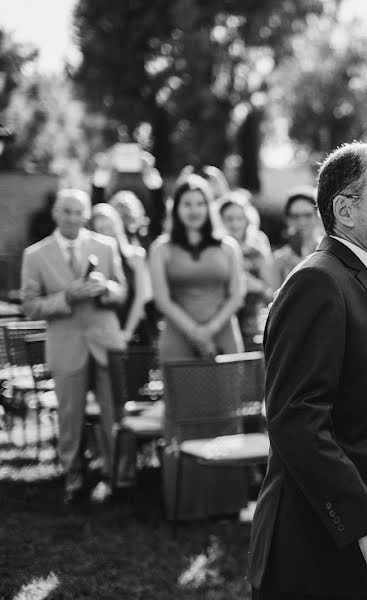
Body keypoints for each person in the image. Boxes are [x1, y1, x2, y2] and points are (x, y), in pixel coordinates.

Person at [248, 142, 367, 600]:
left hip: (349, 551)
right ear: (345, 209)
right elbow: (296, 421)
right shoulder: (318, 282)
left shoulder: (363, 280)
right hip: (314, 548)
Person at [149, 175, 247, 520]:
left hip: (223, 334)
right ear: (176, 208)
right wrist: (194, 331)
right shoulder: (161, 247)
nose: (193, 210)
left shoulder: (228, 247)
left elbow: (237, 294)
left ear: (209, 207)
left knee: (224, 413)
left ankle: (225, 502)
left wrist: (210, 330)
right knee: (182, 416)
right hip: (177, 337)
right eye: (186, 203)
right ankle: (185, 503)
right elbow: (161, 298)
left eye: (200, 203)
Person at [20, 189, 127, 504]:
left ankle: (115, 477)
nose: (71, 217)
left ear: (86, 214)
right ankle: (74, 479)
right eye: (65, 211)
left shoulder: (105, 247)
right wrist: (66, 298)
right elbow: (30, 305)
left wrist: (105, 289)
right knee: (70, 416)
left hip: (104, 340)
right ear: (55, 213)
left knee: (112, 414)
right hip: (66, 343)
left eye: (77, 211)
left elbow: (122, 291)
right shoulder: (35, 255)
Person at [90, 203, 155, 347]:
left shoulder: (135, 256)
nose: (106, 233)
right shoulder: (93, 262)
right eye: (100, 229)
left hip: (135, 332)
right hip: (104, 334)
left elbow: (141, 298)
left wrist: (127, 333)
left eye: (109, 227)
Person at [219, 191, 277, 350]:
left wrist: (256, 285)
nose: (235, 224)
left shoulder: (257, 250)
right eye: (229, 219)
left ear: (247, 220)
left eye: (240, 218)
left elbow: (272, 293)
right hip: (221, 322)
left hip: (253, 325)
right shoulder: (215, 251)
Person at [273, 186, 322, 282]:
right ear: (288, 220)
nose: (302, 222)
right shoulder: (280, 259)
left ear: (317, 216)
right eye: (295, 216)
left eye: (307, 215)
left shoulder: (329, 251)